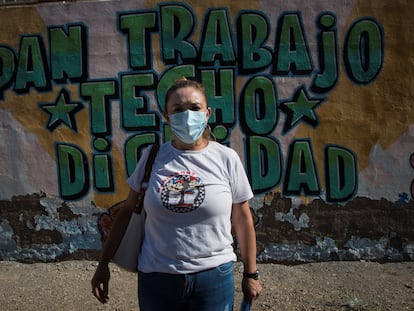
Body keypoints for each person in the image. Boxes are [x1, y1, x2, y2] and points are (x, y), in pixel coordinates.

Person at [91, 78, 262, 310]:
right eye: (178, 110)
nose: (187, 115)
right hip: (157, 279)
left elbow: (242, 219)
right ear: (166, 116)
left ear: (208, 113)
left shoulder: (226, 158)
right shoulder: (152, 157)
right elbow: (126, 213)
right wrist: (103, 264)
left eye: (194, 108)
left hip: (214, 277)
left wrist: (251, 274)